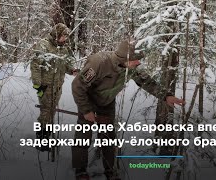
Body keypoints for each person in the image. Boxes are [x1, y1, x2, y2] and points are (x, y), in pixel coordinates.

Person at [71, 39, 185, 180]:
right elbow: (77, 86)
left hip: (107, 102)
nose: (138, 63)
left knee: (108, 137)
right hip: (88, 99)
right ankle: (80, 170)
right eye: (136, 60)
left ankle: (110, 171)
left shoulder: (131, 68)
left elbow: (146, 81)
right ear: (125, 58)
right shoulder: (99, 62)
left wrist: (166, 96)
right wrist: (86, 110)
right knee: (83, 135)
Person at [30, 23, 77, 152]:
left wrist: (72, 70)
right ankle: (42, 141)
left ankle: (47, 138)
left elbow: (66, 63)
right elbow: (35, 65)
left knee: (52, 111)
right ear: (57, 35)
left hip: (57, 86)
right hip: (44, 86)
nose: (65, 39)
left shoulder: (63, 48)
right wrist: (38, 85)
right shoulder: (44, 45)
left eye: (66, 36)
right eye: (63, 36)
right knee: (45, 112)